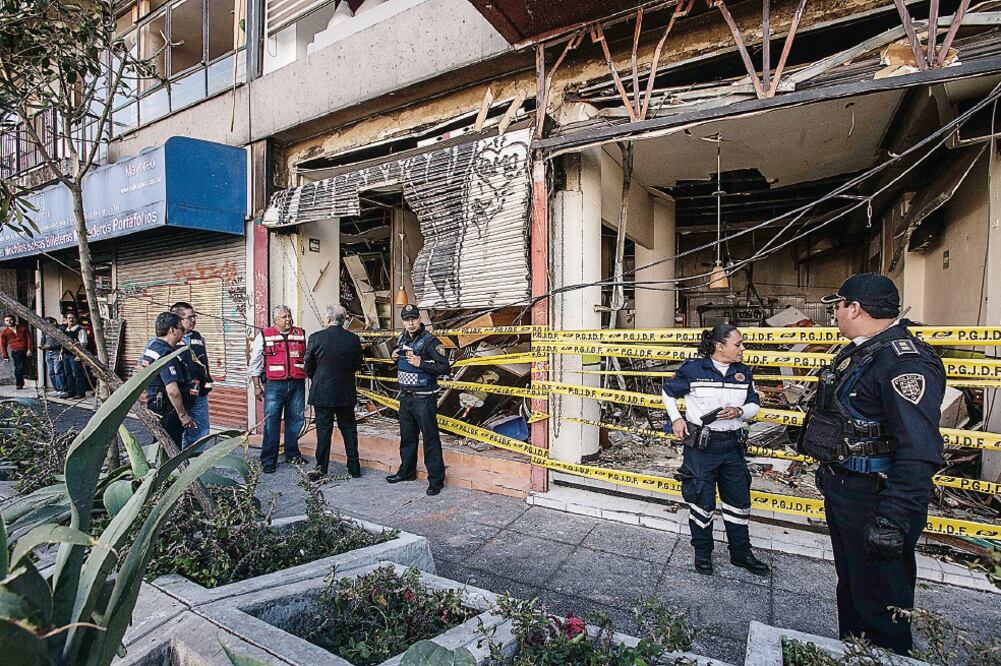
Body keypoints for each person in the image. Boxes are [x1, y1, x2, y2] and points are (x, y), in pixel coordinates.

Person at [801, 273, 945, 655]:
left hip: (876, 500)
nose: (835, 314)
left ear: (855, 308)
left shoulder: (902, 361)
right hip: (848, 491)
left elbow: (920, 449)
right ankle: (855, 654)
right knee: (853, 588)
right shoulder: (862, 351)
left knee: (882, 604)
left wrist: (894, 517)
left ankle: (882, 655)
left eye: (837, 306)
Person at [662, 323, 770, 577]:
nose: (743, 349)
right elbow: (668, 392)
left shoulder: (743, 372)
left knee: (738, 501)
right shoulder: (694, 369)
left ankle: (741, 553)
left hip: (732, 446)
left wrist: (740, 411)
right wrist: (676, 419)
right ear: (720, 346)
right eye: (738, 344)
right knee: (701, 500)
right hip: (702, 448)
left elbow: (754, 402)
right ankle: (703, 553)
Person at [386, 304, 450, 496]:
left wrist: (421, 363)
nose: (411, 323)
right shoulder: (402, 337)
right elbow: (402, 361)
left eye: (414, 318)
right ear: (403, 321)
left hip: (424, 398)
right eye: (407, 319)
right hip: (405, 397)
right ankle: (407, 471)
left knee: (430, 439)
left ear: (420, 319)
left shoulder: (430, 341)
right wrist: (394, 356)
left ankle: (436, 480)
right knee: (407, 438)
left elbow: (444, 367)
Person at [303, 304, 363, 481]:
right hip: (345, 392)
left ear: (328, 319)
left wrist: (318, 378)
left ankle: (321, 470)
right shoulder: (353, 339)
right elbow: (357, 364)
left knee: (323, 432)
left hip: (323, 392)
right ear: (343, 320)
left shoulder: (316, 337)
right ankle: (354, 467)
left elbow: (308, 365)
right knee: (349, 431)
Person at [249, 305, 308, 473]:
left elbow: (309, 356)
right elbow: (254, 363)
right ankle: (268, 460)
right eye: (284, 317)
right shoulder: (265, 335)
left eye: (289, 316)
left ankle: (292, 454)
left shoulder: (301, 334)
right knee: (271, 422)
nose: (288, 319)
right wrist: (256, 386)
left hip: (297, 384)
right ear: (275, 320)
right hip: (274, 385)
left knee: (296, 420)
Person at [139, 312, 196, 447]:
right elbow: (172, 391)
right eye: (181, 329)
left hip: (157, 406)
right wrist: (183, 416)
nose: (183, 334)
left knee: (159, 445)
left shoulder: (153, 347)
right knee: (170, 448)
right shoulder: (166, 354)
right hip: (168, 410)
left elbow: (141, 372)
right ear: (172, 330)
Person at [171, 302, 214, 448]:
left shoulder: (198, 338)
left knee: (200, 431)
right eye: (190, 317)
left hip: (198, 394)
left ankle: (196, 464)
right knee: (176, 432)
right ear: (177, 319)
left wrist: (207, 382)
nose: (194, 320)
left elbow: (204, 363)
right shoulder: (165, 339)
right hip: (178, 394)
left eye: (195, 317)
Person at [61, 312, 90, 399]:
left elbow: (83, 344)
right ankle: (70, 392)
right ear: (66, 319)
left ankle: (80, 392)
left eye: (73, 318)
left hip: (75, 355)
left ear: (76, 319)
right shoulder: (65, 330)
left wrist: (79, 355)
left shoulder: (80, 330)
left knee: (77, 374)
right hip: (66, 355)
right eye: (69, 318)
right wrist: (61, 353)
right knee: (68, 374)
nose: (71, 320)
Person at [1, 314, 33, 390]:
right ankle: (19, 383)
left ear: (14, 320)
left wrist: (29, 349)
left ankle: (25, 380)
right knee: (19, 367)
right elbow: (3, 344)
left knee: (26, 366)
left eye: (11, 319)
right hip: (16, 351)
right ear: (5, 322)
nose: (9, 322)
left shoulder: (22, 328)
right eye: (7, 320)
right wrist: (5, 356)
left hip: (25, 350)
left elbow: (29, 339)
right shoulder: (5, 332)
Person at [39, 316, 65, 394]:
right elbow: (43, 339)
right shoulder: (45, 330)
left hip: (56, 352)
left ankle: (61, 389)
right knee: (51, 372)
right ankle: (56, 389)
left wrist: (51, 346)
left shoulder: (60, 329)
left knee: (58, 371)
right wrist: (42, 345)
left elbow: (62, 342)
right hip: (48, 352)